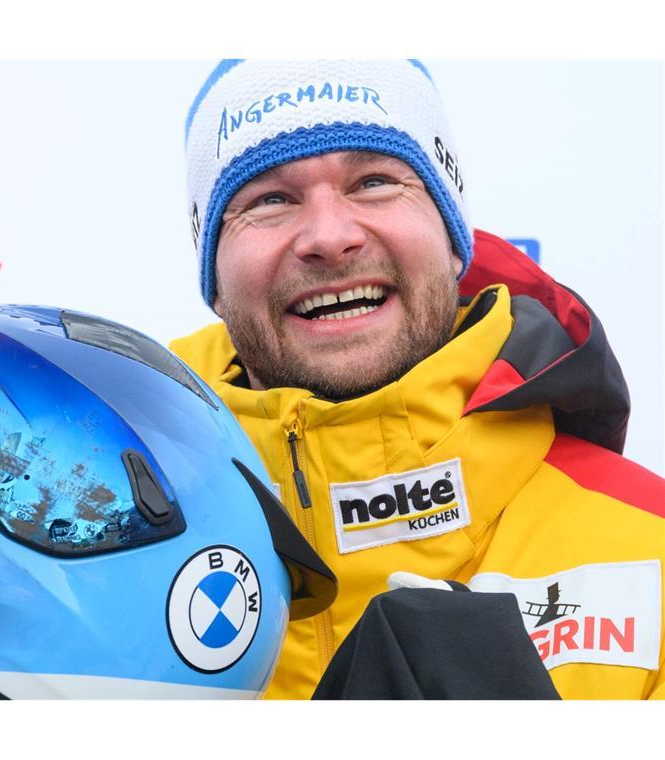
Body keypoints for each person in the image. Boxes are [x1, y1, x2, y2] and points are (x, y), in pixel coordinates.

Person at [170, 59, 664, 699]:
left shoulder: (650, 545)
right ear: (213, 274)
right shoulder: (101, 557)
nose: (329, 236)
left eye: (374, 181)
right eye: (269, 200)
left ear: (454, 238)